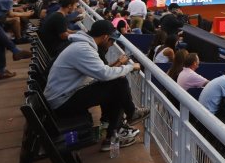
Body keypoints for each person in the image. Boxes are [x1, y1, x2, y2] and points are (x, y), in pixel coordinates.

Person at [43, 20, 148, 151]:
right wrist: (130, 67)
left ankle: (115, 133)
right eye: (112, 41)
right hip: (61, 103)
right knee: (119, 84)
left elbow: (100, 74)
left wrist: (119, 66)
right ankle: (127, 118)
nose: (112, 44)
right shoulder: (83, 49)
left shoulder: (82, 45)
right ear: (105, 37)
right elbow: (104, 74)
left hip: (62, 97)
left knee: (116, 84)